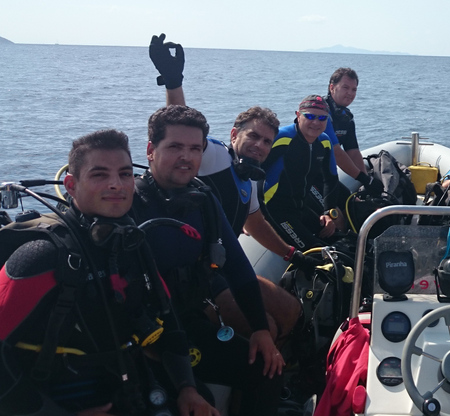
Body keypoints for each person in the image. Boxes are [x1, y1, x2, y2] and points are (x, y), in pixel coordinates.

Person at [0, 129, 217, 416]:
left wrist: (187, 387)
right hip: (60, 400)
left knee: (205, 398)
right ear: (71, 185)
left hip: (126, 386)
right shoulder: (42, 257)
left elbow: (170, 322)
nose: (116, 184)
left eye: (125, 174)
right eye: (99, 175)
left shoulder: (130, 244)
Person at [149, 33, 305, 341]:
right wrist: (172, 81)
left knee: (291, 310)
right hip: (192, 277)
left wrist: (292, 255)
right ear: (234, 135)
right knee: (267, 328)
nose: (260, 145)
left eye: (267, 142)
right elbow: (182, 125)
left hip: (221, 268)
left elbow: (254, 223)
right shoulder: (214, 156)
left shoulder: (250, 179)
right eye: (253, 137)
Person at [131, 105, 283, 416]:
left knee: (269, 370)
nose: (185, 156)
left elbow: (238, 268)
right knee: (202, 403)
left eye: (193, 148)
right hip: (146, 342)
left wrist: (259, 329)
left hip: (191, 324)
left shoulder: (203, 200)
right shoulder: (128, 206)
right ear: (150, 150)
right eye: (174, 147)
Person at [262, 95, 346, 251]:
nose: (316, 122)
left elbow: (331, 180)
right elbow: (253, 172)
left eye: (322, 118)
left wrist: (328, 212)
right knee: (317, 251)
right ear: (298, 115)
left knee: (343, 242)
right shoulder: (281, 138)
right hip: (274, 211)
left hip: (301, 208)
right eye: (309, 116)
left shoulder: (324, 142)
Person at [322, 67, 384, 196]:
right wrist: (363, 178)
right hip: (307, 173)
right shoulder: (321, 112)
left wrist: (368, 181)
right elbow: (336, 152)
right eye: (345, 87)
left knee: (357, 206)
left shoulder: (347, 118)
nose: (350, 93)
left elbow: (353, 152)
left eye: (354, 89)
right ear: (332, 87)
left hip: (325, 175)